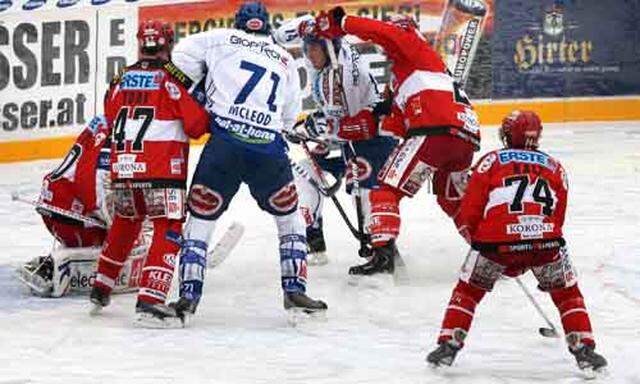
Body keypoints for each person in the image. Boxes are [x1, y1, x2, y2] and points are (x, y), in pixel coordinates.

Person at [169, 1, 327, 320]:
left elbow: (180, 56)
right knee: (291, 219)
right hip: (267, 150)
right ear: (266, 26)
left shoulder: (221, 38)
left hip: (224, 146)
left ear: (238, 22)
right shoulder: (284, 58)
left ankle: (188, 297)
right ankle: (295, 291)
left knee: (201, 218)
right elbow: (287, 115)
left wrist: (203, 85)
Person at [426, 111, 607, 375]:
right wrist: (535, 238)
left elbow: (472, 207)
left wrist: (482, 240)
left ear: (508, 135)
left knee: (468, 291)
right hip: (547, 241)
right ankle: (585, 350)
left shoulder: (491, 161)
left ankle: (448, 346)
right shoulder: (555, 166)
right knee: (567, 294)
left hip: (496, 241)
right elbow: (559, 214)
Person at [314, 8, 481, 275]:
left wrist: (341, 22)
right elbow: (388, 122)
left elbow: (386, 33)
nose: (384, 50)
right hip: (464, 135)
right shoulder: (411, 73)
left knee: (385, 189)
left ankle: (382, 257)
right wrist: (343, 127)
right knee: (451, 199)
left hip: (435, 128)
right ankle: (486, 250)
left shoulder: (411, 44)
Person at [90, 20, 209, 328]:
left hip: (123, 169)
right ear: (168, 44)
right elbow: (197, 126)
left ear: (141, 44)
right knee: (168, 228)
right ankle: (151, 301)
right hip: (161, 171)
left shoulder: (119, 78)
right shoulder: (173, 80)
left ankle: (101, 285)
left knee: (126, 222)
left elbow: (109, 115)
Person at [273, 15, 397, 265]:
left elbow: (356, 125)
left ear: (331, 48)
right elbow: (333, 117)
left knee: (361, 190)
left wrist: (317, 128)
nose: (309, 54)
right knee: (306, 173)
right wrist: (312, 125)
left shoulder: (348, 71)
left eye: (315, 48)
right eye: (306, 48)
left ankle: (383, 248)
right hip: (346, 143)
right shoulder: (323, 68)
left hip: (374, 141)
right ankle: (313, 240)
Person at [17, 115, 119, 297]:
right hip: (70, 211)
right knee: (115, 241)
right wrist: (114, 224)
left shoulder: (102, 122)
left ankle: (49, 264)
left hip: (52, 200)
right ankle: (57, 267)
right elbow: (91, 183)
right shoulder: (117, 133)